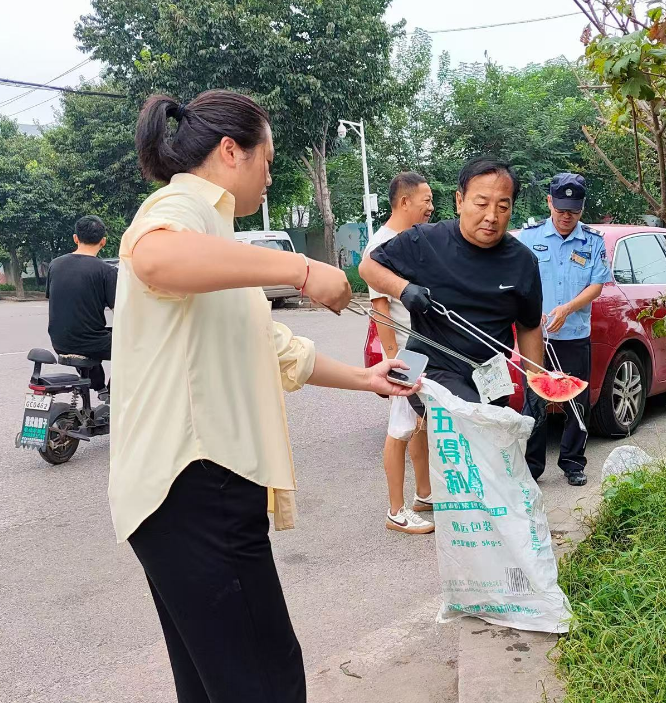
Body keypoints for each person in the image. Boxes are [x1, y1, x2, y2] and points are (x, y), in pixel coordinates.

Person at [110, 89, 419, 703]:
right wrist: (299, 269)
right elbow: (154, 256)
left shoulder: (217, 239)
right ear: (232, 151)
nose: (270, 174)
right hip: (200, 484)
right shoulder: (181, 206)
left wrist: (367, 378)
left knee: (217, 682)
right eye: (267, 159)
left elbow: (276, 349)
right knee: (266, 681)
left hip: (184, 495)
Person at [359, 156, 545, 414]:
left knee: (493, 428)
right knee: (475, 422)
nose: (491, 216)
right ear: (460, 201)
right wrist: (403, 289)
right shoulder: (425, 240)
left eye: (503, 207)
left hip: (490, 379)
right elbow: (368, 267)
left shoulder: (523, 262)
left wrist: (536, 387)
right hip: (431, 372)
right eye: (481, 204)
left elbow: (529, 326)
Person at [517, 173, 612, 486]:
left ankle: (573, 463)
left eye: (573, 210)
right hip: (536, 337)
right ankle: (532, 467)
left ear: (582, 208)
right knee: (534, 402)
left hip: (574, 335)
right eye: (560, 209)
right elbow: (516, 281)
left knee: (577, 402)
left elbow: (597, 284)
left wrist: (567, 309)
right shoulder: (528, 238)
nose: (566, 216)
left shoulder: (592, 242)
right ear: (549, 203)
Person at [361, 172, 437, 534]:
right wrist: (395, 364)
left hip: (421, 348)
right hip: (405, 355)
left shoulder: (413, 240)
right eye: (426, 200)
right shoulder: (381, 247)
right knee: (400, 428)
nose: (431, 206)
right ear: (405, 202)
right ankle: (396, 511)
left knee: (419, 424)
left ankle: (424, 493)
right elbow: (381, 312)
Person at [46, 215, 118, 397]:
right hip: (90, 342)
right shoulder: (107, 271)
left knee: (95, 336)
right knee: (133, 346)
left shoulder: (55, 265)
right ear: (103, 241)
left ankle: (99, 387)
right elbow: (120, 312)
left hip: (59, 342)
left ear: (75, 238)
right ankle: (113, 395)